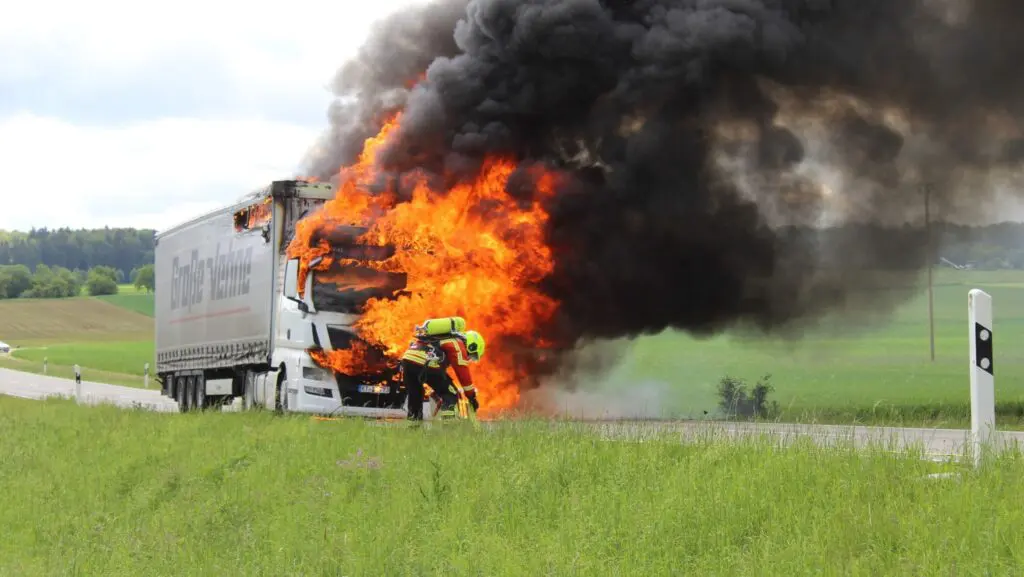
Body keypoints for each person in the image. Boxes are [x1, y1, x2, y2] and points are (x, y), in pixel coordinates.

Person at [399, 317, 486, 420]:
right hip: (426, 362)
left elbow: (439, 377)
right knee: (451, 393)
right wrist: (471, 397)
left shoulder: (437, 338)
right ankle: (449, 428)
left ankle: (413, 428)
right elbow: (462, 372)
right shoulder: (457, 343)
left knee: (416, 394)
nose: (469, 358)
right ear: (471, 346)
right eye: (472, 355)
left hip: (407, 361)